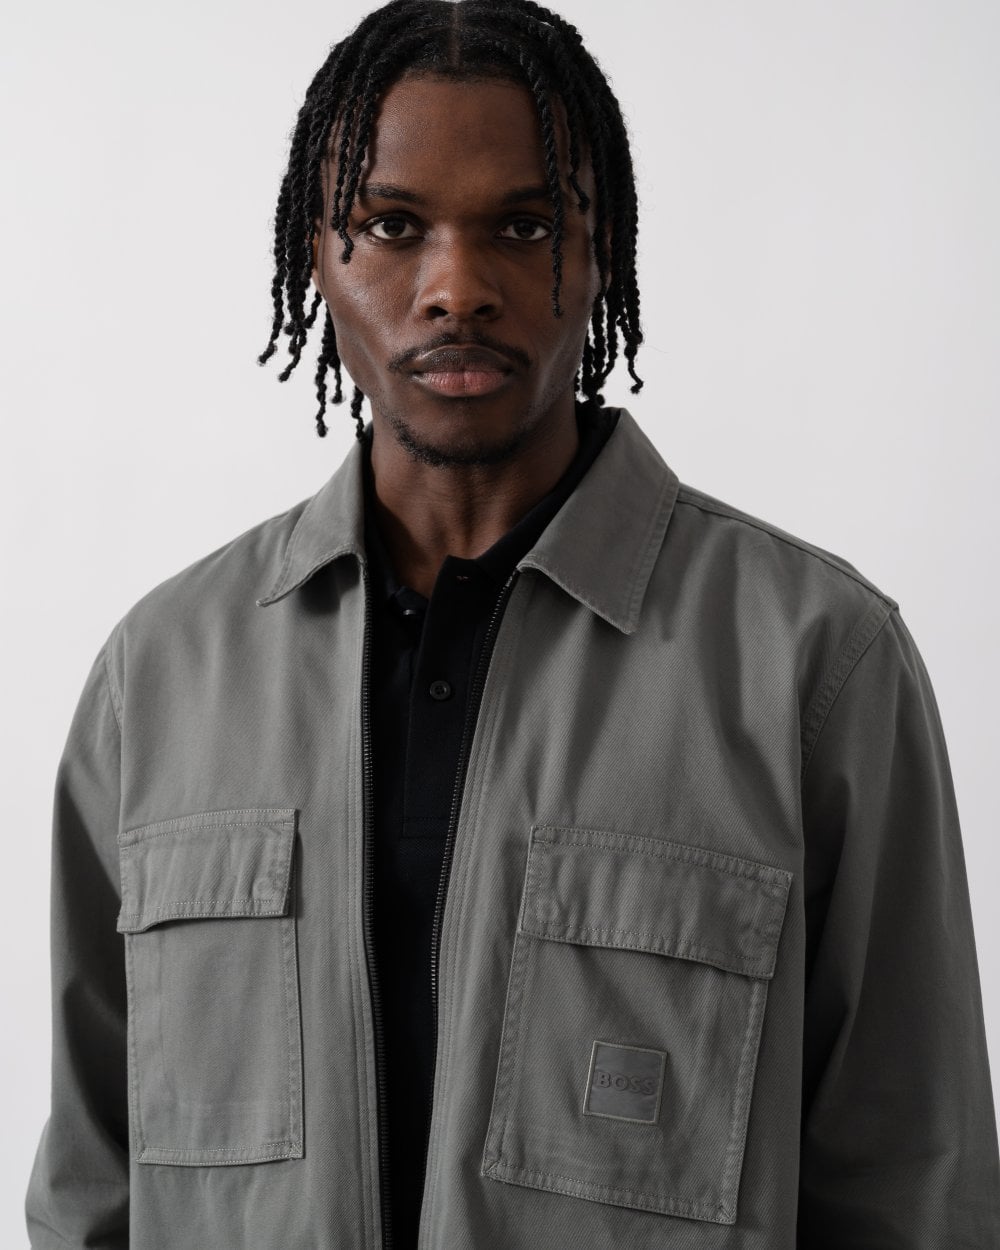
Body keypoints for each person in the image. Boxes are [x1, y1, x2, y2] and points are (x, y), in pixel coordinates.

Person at [24, 0, 1000, 1246]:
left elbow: (916, 1189)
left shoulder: (812, 660)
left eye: (525, 226)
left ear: (602, 254)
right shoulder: (158, 676)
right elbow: (91, 1192)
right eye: (392, 226)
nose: (457, 289)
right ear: (316, 256)